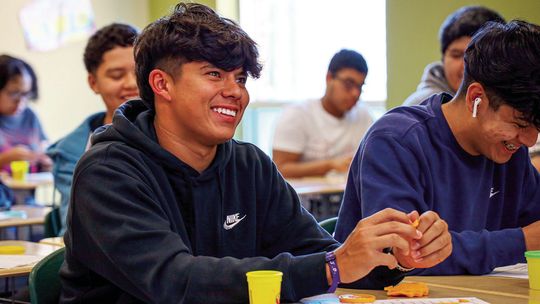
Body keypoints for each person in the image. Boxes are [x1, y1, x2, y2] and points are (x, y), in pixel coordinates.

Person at [60, 3, 451, 303]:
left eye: (241, 78)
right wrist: (331, 266)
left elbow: (321, 254)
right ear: (162, 84)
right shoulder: (108, 171)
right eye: (215, 74)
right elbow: (175, 282)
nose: (236, 92)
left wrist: (394, 255)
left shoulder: (248, 164)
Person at [335, 20, 540, 276]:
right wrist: (522, 241)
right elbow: (404, 258)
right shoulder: (397, 140)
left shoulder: (511, 153)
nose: (530, 141)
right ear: (476, 98)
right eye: (520, 123)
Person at [46, 23, 138, 236]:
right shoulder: (72, 151)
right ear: (93, 82)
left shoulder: (175, 135)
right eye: (116, 75)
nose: (131, 83)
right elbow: (75, 228)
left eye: (139, 71)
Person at [272, 49, 374, 178]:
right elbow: (280, 169)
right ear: (329, 78)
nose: (355, 93)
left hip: (347, 196)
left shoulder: (364, 116)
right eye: (349, 84)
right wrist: (330, 165)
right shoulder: (297, 115)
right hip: (304, 197)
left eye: (360, 86)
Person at [402, 6, 504, 106]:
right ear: (443, 60)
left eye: (478, 55)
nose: (465, 65)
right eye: (456, 55)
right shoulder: (420, 110)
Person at [0, 55, 51, 173]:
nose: (20, 102)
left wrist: (47, 161)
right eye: (13, 93)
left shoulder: (30, 116)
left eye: (26, 94)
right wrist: (4, 159)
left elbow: (45, 148)